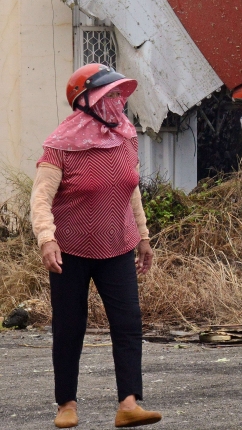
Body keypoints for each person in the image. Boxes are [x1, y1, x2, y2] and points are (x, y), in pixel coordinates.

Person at [30, 64, 162, 428]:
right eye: (110, 95)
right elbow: (41, 198)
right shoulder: (60, 145)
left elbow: (130, 186)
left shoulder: (125, 137)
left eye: (119, 94)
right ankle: (66, 405)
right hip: (69, 249)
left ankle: (129, 403)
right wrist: (47, 238)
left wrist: (144, 236)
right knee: (70, 326)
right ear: (86, 102)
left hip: (117, 244)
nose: (118, 101)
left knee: (128, 323)